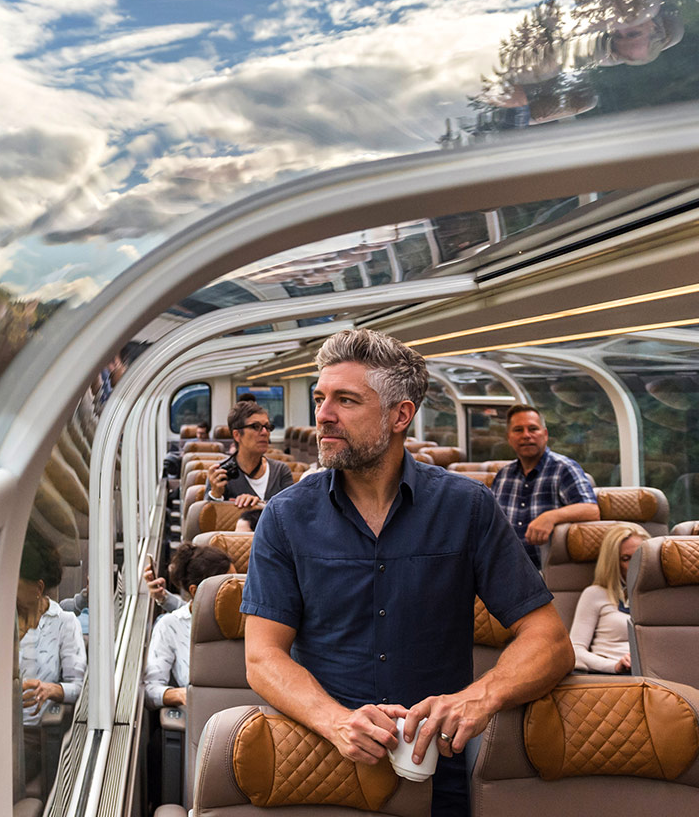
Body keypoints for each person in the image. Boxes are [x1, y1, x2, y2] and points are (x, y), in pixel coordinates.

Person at [241, 329, 573, 817]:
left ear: (400, 415)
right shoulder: (286, 516)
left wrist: (478, 698)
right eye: (319, 398)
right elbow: (262, 657)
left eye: (346, 400)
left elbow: (550, 640)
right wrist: (335, 721)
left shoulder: (466, 508)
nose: (323, 415)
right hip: (321, 767)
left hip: (439, 770)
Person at [489, 404, 600, 568]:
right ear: (509, 438)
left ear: (545, 434)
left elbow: (591, 510)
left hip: (548, 571)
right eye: (518, 430)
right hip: (506, 567)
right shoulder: (503, 475)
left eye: (533, 429)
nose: (526, 435)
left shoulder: (563, 469)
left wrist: (550, 517)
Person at [18, 535, 84, 785]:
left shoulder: (64, 622)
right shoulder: (0, 617)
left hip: (32, 735)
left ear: (37, 588)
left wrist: (50, 690)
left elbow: (79, 687)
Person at [144, 544, 235, 709]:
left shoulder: (249, 619)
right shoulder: (171, 626)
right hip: (203, 711)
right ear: (195, 591)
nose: (238, 590)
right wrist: (181, 694)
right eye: (228, 586)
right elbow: (150, 689)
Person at [569, 525, 644, 674]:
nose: (636, 565)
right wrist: (614, 666)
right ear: (613, 564)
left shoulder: (660, 599)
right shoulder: (595, 594)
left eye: (639, 557)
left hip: (654, 676)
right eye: (626, 559)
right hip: (610, 675)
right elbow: (575, 651)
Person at [206, 401, 294, 511]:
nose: (265, 432)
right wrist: (216, 494)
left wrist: (259, 504)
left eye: (267, 427)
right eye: (256, 427)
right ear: (237, 435)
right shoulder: (220, 473)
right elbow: (209, 515)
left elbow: (291, 512)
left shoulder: (280, 471)